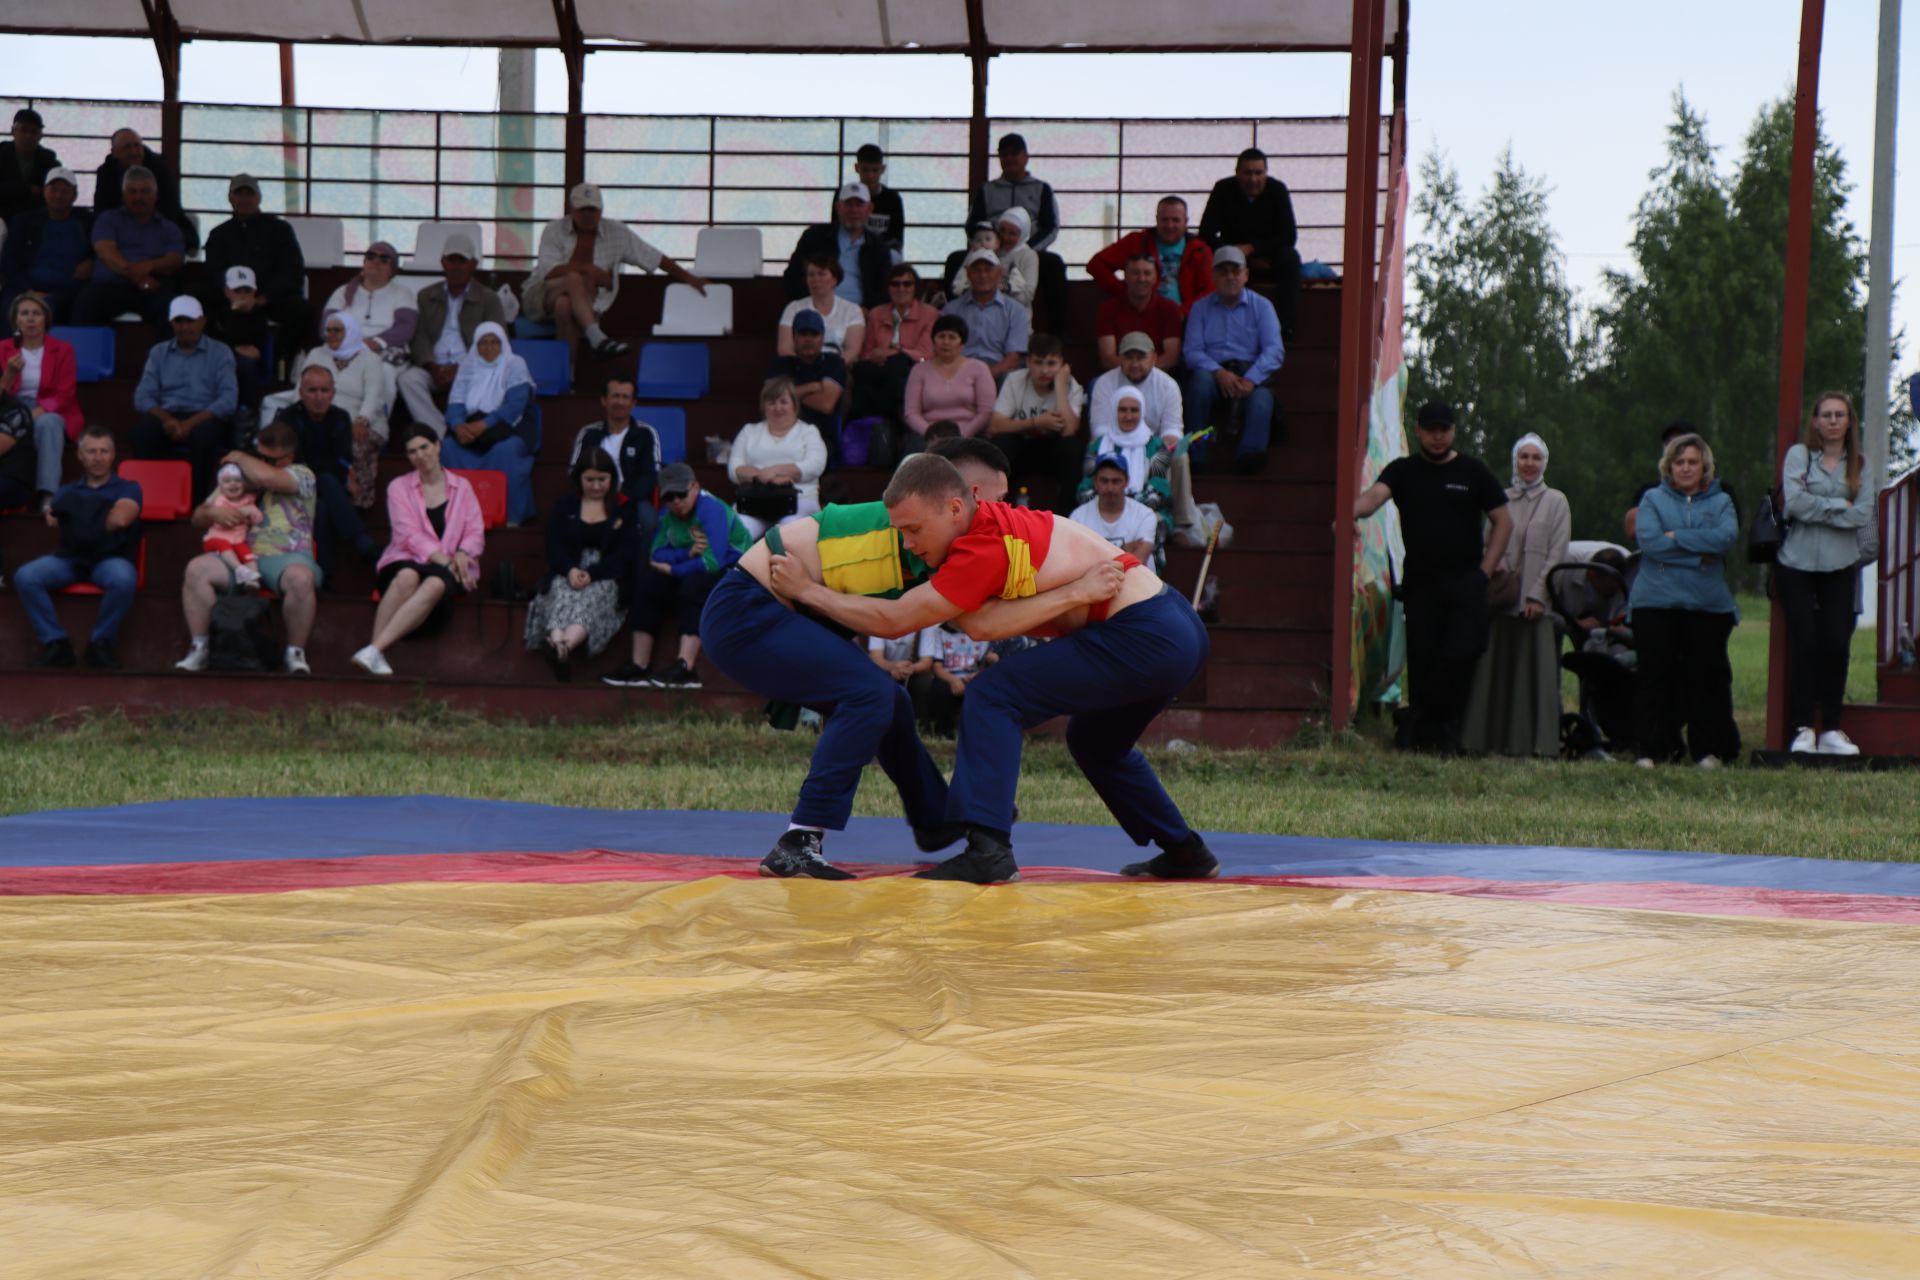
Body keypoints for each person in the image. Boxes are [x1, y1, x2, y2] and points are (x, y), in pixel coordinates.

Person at [768, 453, 1217, 885]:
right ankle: (1185, 851)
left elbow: (896, 620)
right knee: (1095, 742)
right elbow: (980, 624)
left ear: (957, 506)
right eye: (900, 532)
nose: (908, 544)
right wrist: (1076, 593)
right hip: (1177, 627)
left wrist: (808, 591)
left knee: (993, 694)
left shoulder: (979, 547)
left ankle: (988, 851)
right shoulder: (987, 532)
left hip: (1146, 632)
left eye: (914, 529)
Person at [695, 439, 1014, 878]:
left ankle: (935, 818)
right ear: (962, 498)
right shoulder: (902, 531)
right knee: (870, 695)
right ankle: (798, 840)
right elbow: (898, 620)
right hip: (746, 615)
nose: (1003, 513)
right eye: (996, 500)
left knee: (892, 702)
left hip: (774, 613)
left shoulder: (930, 532)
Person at [1353, 401, 1513, 754]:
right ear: (1419, 431)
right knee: (1424, 657)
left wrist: (1485, 572)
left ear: (1454, 432)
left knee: (1462, 653)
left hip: (1466, 584)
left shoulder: (1473, 472)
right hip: (1421, 585)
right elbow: (1372, 499)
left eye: (1445, 429)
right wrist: (1347, 515)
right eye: (1431, 430)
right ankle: (1422, 733)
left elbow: (1503, 520)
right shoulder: (1402, 471)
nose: (1438, 437)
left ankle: (1445, 728)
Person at [1629, 432, 1741, 768]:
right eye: (1679, 462)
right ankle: (1650, 749)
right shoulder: (1651, 499)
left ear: (1704, 465)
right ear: (1669, 466)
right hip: (1655, 602)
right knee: (1654, 676)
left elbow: (1725, 538)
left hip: (1707, 605)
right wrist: (1697, 555)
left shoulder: (1721, 502)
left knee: (1704, 678)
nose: (1686, 468)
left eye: (1693, 461)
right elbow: (1649, 541)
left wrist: (1676, 536)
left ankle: (1706, 750)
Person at [176, 424, 321, 675]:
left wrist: (241, 456)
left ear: (288, 458)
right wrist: (213, 512)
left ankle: (295, 653)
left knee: (301, 578)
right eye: (259, 455)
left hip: (284, 557)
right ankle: (201, 648)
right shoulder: (238, 479)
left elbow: (268, 478)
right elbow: (197, 518)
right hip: (236, 555)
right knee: (196, 569)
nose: (260, 463)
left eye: (268, 459)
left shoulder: (302, 473)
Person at [1778, 391, 1876, 756]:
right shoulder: (1799, 457)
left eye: (1840, 415)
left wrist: (1820, 508)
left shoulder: (1862, 466)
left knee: (1836, 643)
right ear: (1815, 422)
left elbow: (1862, 515)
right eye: (1826, 415)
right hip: (1797, 562)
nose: (1833, 421)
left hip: (1840, 564)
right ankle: (1802, 727)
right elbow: (1795, 503)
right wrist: (1838, 504)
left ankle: (1831, 729)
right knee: (1804, 643)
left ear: (1849, 422)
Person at [1462, 433, 1572, 757]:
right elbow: (1488, 542)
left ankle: (1533, 744)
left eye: (1536, 458)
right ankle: (1487, 741)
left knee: (1532, 674)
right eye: (1524, 457)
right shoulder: (1502, 498)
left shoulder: (1556, 501)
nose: (1529, 464)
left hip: (1534, 603)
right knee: (1493, 672)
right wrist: (1492, 569)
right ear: (1515, 461)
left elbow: (1558, 553)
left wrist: (1539, 596)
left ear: (1544, 463)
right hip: (1502, 600)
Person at [604, 461, 750, 690]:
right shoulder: (667, 515)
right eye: (669, 497)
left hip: (731, 570)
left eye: (680, 494)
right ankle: (639, 664)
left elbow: (713, 562)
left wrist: (675, 568)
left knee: (693, 586)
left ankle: (686, 666)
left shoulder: (712, 510)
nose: (676, 502)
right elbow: (656, 554)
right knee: (649, 583)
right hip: (693, 565)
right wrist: (687, 553)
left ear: (695, 487)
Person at [354, 424, 485, 675]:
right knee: (407, 576)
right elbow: (408, 535)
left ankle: (374, 649)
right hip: (406, 558)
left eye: (424, 447)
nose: (420, 455)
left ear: (437, 446)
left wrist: (463, 553)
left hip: (450, 567)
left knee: (436, 583)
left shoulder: (463, 487)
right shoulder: (398, 487)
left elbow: (475, 531)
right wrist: (446, 561)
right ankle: (374, 653)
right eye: (412, 451)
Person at [527, 182, 706, 360]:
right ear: (572, 209)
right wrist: (588, 269)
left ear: (601, 210)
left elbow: (653, 257)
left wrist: (690, 278)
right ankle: (597, 337)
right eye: (582, 209)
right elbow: (549, 271)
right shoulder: (553, 230)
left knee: (564, 306)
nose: (588, 215)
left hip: (586, 304)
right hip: (541, 295)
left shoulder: (617, 232)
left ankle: (568, 377)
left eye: (592, 209)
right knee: (574, 278)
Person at [13, 425, 141, 670]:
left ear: (114, 454)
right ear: (80, 456)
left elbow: (122, 518)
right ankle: (56, 643)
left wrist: (78, 514)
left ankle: (100, 643)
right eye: (91, 451)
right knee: (26, 576)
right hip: (70, 559)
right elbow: (51, 517)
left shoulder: (128, 487)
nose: (98, 457)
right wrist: (99, 513)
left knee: (124, 577)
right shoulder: (67, 491)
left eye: (104, 451)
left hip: (108, 559)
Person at [526, 447, 638, 681]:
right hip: (567, 570)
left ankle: (560, 646)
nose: (596, 486)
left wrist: (593, 573)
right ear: (579, 479)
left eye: (602, 480)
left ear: (612, 479)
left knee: (592, 597)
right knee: (559, 592)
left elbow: (625, 554)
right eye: (590, 480)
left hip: (606, 574)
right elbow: (553, 547)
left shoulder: (623, 510)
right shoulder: (564, 506)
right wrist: (570, 570)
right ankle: (560, 646)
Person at [1182, 247, 1284, 474]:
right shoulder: (1200, 308)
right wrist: (1219, 372)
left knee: (1262, 399)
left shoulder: (1263, 306)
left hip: (1250, 371)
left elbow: (1274, 350)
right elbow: (1192, 351)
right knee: (1198, 385)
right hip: (1212, 373)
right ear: (1213, 276)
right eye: (1223, 271)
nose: (1230, 276)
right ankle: (1195, 453)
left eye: (1235, 271)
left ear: (1246, 274)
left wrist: (1251, 379)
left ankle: (1251, 455)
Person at [269, 364, 377, 573]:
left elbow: (344, 460)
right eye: (312, 390)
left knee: (323, 506)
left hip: (328, 490)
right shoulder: (287, 419)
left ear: (333, 393)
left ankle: (325, 575)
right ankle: (361, 540)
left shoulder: (341, 417)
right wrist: (329, 466)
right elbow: (294, 464)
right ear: (301, 393)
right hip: (294, 487)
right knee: (326, 481)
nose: (318, 397)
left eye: (324, 390)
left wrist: (323, 466)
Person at [129, 296, 238, 501]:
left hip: (205, 416)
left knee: (204, 437)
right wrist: (167, 419)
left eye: (190, 320)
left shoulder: (221, 353)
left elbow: (228, 400)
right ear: (171, 323)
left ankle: (195, 501)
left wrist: (190, 423)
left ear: (202, 321)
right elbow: (142, 396)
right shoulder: (158, 352)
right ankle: (152, 497)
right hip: (168, 414)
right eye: (179, 321)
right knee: (141, 434)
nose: (185, 326)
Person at [399, 233, 504, 437]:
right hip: (433, 367)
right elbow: (418, 336)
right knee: (408, 379)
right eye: (451, 260)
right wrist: (431, 365)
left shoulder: (488, 299)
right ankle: (441, 433)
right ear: (443, 263)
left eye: (462, 261)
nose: (456, 266)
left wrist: (462, 368)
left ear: (473, 264)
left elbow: (497, 341)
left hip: (472, 368)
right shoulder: (426, 295)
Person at [438, 321, 540, 525]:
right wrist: (458, 425)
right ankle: (456, 516)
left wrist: (483, 425)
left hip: (511, 428)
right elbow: (456, 403)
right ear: (476, 346)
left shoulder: (515, 364)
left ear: (503, 344)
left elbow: (514, 405)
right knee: (448, 447)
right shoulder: (469, 364)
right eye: (483, 343)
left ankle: (508, 517)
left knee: (505, 451)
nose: (489, 348)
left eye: (495, 342)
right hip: (472, 427)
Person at [284, 312, 388, 508]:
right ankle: (320, 496)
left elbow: (374, 396)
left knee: (355, 443)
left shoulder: (369, 359)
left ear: (350, 331)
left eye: (337, 330)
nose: (330, 334)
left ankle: (358, 500)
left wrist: (361, 420)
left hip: (362, 421)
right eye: (328, 330)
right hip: (321, 417)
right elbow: (301, 390)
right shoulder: (317, 354)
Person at [1198, 147, 1301, 338]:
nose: (1253, 179)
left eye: (1258, 173)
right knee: (1202, 254)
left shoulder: (1277, 190)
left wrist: (1253, 249)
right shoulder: (1223, 189)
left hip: (1268, 254)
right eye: (1247, 173)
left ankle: (1286, 328)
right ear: (1237, 174)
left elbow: (1288, 235)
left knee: (1291, 258)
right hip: (1231, 253)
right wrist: (1234, 252)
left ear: (1266, 173)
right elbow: (1206, 233)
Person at [200, 173, 311, 348]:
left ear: (259, 198)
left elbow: (292, 269)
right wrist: (230, 293)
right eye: (239, 194)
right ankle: (221, 359)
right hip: (229, 299)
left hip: (269, 299)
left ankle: (279, 362)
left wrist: (263, 298)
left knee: (304, 311)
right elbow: (213, 270)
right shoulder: (219, 234)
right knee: (197, 304)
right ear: (230, 198)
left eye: (249, 194)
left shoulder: (279, 229)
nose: (244, 199)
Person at [75, 165, 184, 334]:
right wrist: (139, 278)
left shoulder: (169, 228)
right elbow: (105, 252)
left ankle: (164, 359)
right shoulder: (108, 219)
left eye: (145, 191)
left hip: (152, 288)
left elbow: (175, 259)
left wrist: (148, 267)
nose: (138, 197)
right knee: (85, 303)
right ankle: (85, 360)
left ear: (156, 195)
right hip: (109, 287)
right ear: (124, 195)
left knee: (174, 308)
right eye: (132, 191)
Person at [0, 293, 83, 510]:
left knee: (50, 423)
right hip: (10, 408)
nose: (30, 318)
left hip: (49, 408)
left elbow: (66, 395)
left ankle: (47, 495)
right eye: (24, 313)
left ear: (45, 319)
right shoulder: (2, 348)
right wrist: (8, 375)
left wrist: (37, 412)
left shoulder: (63, 349)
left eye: (36, 313)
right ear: (16, 320)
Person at [987, 333, 1083, 514]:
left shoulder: (1071, 385)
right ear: (1029, 362)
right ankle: (997, 511)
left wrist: (1060, 387)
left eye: (1051, 364)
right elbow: (995, 426)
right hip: (1022, 448)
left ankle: (1067, 514)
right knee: (1001, 443)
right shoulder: (1015, 380)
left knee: (1072, 448)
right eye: (1038, 363)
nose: (1045, 370)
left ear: (1061, 363)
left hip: (1052, 450)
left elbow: (1069, 430)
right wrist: (1036, 422)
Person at [728, 376, 829, 540]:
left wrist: (773, 471)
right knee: (737, 533)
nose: (778, 408)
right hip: (754, 503)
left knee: (787, 535)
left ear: (795, 405)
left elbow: (815, 465)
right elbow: (734, 469)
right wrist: (762, 477)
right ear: (763, 407)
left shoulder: (808, 431)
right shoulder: (749, 431)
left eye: (783, 402)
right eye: (771, 403)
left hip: (799, 501)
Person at [1087, 195, 1214, 315]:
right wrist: (1125, 293)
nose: (1170, 225)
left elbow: (1210, 289)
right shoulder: (1136, 241)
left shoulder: (1200, 250)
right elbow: (1096, 265)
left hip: (1186, 318)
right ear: (1156, 219)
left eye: (1175, 220)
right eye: (1165, 220)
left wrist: (1184, 312)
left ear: (1186, 221)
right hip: (1140, 314)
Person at [318, 241, 417, 395]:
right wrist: (350, 343)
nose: (376, 262)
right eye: (371, 257)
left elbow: (405, 327)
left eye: (384, 259)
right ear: (364, 263)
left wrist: (375, 343)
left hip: (386, 350)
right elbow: (327, 325)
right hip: (346, 347)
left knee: (385, 372)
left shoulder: (402, 293)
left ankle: (376, 418)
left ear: (392, 270)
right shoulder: (343, 292)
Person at [0, 166, 92, 323]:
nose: (58, 196)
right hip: (24, 287)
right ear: (44, 191)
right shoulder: (24, 221)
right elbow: (9, 261)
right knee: (9, 310)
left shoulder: (87, 223)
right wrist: (28, 290)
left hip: (67, 290)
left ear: (75, 195)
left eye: (65, 191)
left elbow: (100, 250)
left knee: (46, 310)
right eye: (54, 189)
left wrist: (92, 262)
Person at [784, 181, 894, 310]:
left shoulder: (879, 247)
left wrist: (868, 310)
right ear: (838, 207)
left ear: (870, 209)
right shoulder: (814, 237)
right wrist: (811, 303)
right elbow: (792, 278)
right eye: (848, 204)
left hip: (860, 314)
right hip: (815, 309)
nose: (854, 210)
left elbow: (885, 289)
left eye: (859, 204)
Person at [850, 263, 936, 426]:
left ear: (915, 287)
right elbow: (867, 352)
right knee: (860, 372)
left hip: (912, 367)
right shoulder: (877, 313)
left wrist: (896, 351)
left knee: (899, 371)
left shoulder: (929, 313)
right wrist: (878, 356)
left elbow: (926, 353)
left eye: (907, 284)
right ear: (888, 288)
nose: (901, 288)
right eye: (895, 284)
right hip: (880, 368)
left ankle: (895, 424)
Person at [568, 375, 662, 516]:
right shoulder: (588, 432)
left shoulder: (646, 433)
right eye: (615, 396)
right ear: (604, 400)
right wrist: (594, 492)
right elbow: (574, 470)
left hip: (632, 499)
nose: (620, 402)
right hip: (592, 494)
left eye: (625, 397)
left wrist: (625, 497)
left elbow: (650, 474)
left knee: (648, 521)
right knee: (565, 514)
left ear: (633, 402)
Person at [92, 128, 198, 253]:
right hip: (119, 228)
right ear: (114, 152)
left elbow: (170, 209)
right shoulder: (106, 172)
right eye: (127, 147)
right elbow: (102, 209)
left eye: (137, 146)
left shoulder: (161, 169)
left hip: (157, 227)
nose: (134, 152)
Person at [904, 315, 995, 446]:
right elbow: (911, 413)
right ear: (933, 340)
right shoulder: (919, 370)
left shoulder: (979, 368)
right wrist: (932, 435)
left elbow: (986, 412)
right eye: (941, 336)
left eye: (952, 337)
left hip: (969, 435)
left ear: (962, 343)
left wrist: (961, 436)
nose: (946, 342)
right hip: (928, 436)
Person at [941, 250, 1029, 380]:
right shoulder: (951, 310)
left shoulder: (1016, 311)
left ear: (999, 273)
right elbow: (943, 351)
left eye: (988, 270)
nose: (982, 275)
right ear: (968, 273)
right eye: (976, 270)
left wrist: (983, 377)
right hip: (958, 370)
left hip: (998, 370)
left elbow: (1013, 359)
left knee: (1010, 377)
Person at [766, 309, 847, 446]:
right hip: (781, 436)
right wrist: (814, 386)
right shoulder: (780, 365)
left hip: (822, 438)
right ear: (794, 337)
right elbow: (770, 399)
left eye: (814, 334)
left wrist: (788, 394)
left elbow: (826, 404)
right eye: (803, 334)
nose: (808, 339)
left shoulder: (834, 363)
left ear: (822, 338)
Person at [1093, 254, 1184, 371]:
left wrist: (1142, 372)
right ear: (1125, 275)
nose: (1141, 279)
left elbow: (1171, 358)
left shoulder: (1170, 309)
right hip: (1118, 375)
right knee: (1094, 385)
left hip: (1158, 375)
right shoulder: (1107, 309)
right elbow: (1108, 358)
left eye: (1147, 273)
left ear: (1156, 277)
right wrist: (1133, 372)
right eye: (1135, 273)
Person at [206, 266, 271, 422]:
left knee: (247, 364)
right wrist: (234, 313)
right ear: (227, 291)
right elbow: (217, 343)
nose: (242, 295)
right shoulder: (217, 313)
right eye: (237, 290)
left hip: (249, 364)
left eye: (246, 290)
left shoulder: (259, 315)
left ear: (254, 292)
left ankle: (245, 412)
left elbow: (256, 343)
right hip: (219, 362)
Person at [1072, 454, 1158, 564]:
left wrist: (1094, 554)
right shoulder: (1078, 518)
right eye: (1104, 481)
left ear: (1127, 481)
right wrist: (1124, 549)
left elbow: (1138, 561)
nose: (1110, 488)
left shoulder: (1145, 515)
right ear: (1095, 482)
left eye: (1116, 481)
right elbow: (1077, 561)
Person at [777, 257, 865, 358]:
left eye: (821, 274)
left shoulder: (852, 310)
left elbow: (853, 350)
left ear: (834, 280)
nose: (815, 279)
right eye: (811, 275)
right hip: (799, 369)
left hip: (837, 368)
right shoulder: (793, 308)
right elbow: (784, 349)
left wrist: (833, 368)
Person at [828, 145, 906, 254]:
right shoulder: (843, 195)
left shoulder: (893, 200)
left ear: (882, 169)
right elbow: (834, 233)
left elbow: (897, 241)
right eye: (865, 170)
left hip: (881, 257)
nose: (870, 175)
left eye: (875, 170)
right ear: (856, 168)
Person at [200, 461, 264, 588]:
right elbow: (224, 522)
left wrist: (252, 513)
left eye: (237, 480)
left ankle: (253, 579)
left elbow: (258, 520)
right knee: (224, 545)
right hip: (215, 540)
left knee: (247, 554)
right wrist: (243, 512)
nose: (233, 484)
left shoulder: (248, 501)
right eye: (227, 481)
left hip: (237, 541)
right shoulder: (220, 502)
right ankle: (239, 570)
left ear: (244, 484)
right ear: (220, 486)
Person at [0, 108, 60, 223]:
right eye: (23, 130)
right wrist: (28, 189)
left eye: (33, 132)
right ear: (13, 131)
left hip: (36, 219)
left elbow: (54, 192)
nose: (28, 136)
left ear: (40, 135)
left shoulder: (49, 159)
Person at [992, 207, 1040, 316]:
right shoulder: (986, 247)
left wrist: (1000, 290)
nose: (1005, 237)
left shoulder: (1028, 256)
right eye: (1002, 230)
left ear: (1022, 235)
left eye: (1012, 234)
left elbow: (1027, 295)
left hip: (1015, 317)